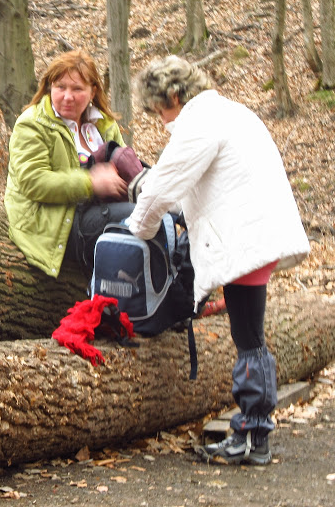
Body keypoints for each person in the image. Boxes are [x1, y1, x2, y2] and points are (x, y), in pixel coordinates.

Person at [127, 55, 309, 466]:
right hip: (253, 235)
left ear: (174, 95)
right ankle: (253, 429)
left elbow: (161, 189)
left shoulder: (199, 122)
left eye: (160, 110)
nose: (161, 121)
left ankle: (252, 434)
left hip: (244, 242)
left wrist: (135, 228)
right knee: (250, 337)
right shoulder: (229, 112)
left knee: (249, 340)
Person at [4, 49, 139, 279]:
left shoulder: (103, 125)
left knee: (157, 216)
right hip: (50, 220)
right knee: (135, 217)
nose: (68, 96)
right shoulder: (32, 124)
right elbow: (33, 182)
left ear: (93, 91)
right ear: (49, 88)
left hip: (96, 208)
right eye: (60, 87)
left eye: (77, 89)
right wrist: (91, 182)